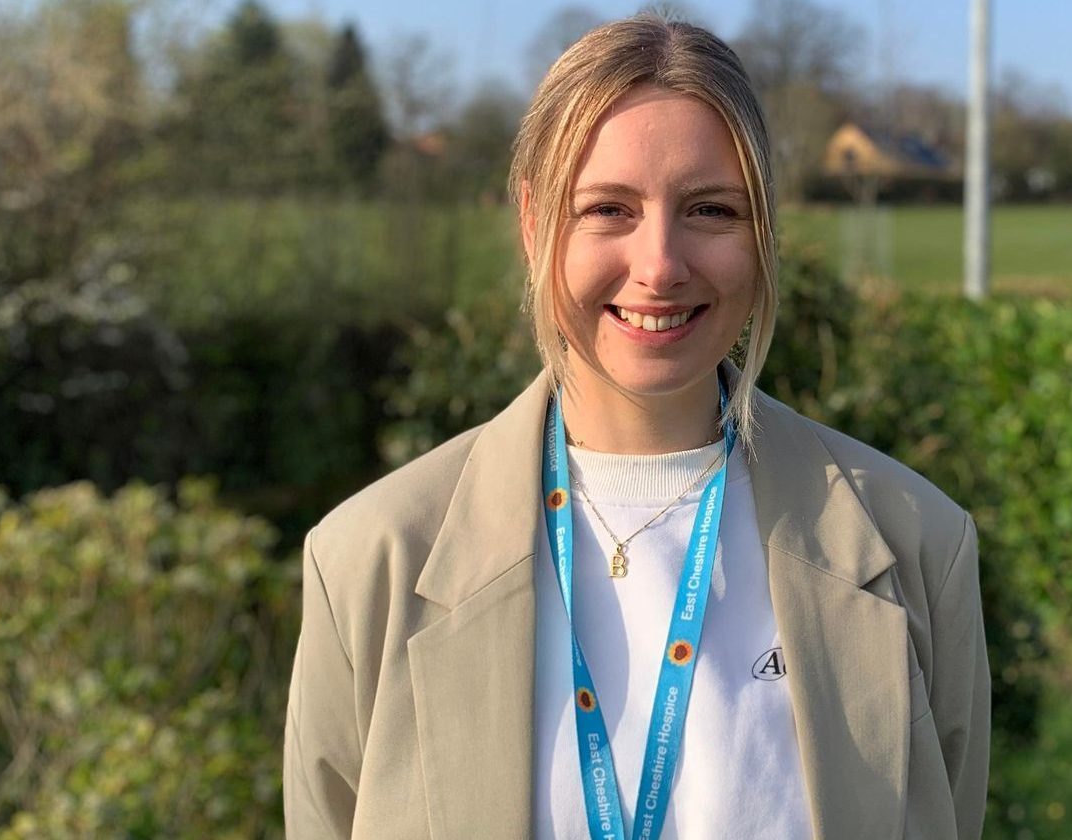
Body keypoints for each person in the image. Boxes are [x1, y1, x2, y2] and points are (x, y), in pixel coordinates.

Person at [283, 13, 989, 840]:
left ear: (763, 237)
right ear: (534, 224)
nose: (659, 265)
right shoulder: (371, 559)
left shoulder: (914, 544)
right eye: (609, 208)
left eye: (711, 210)